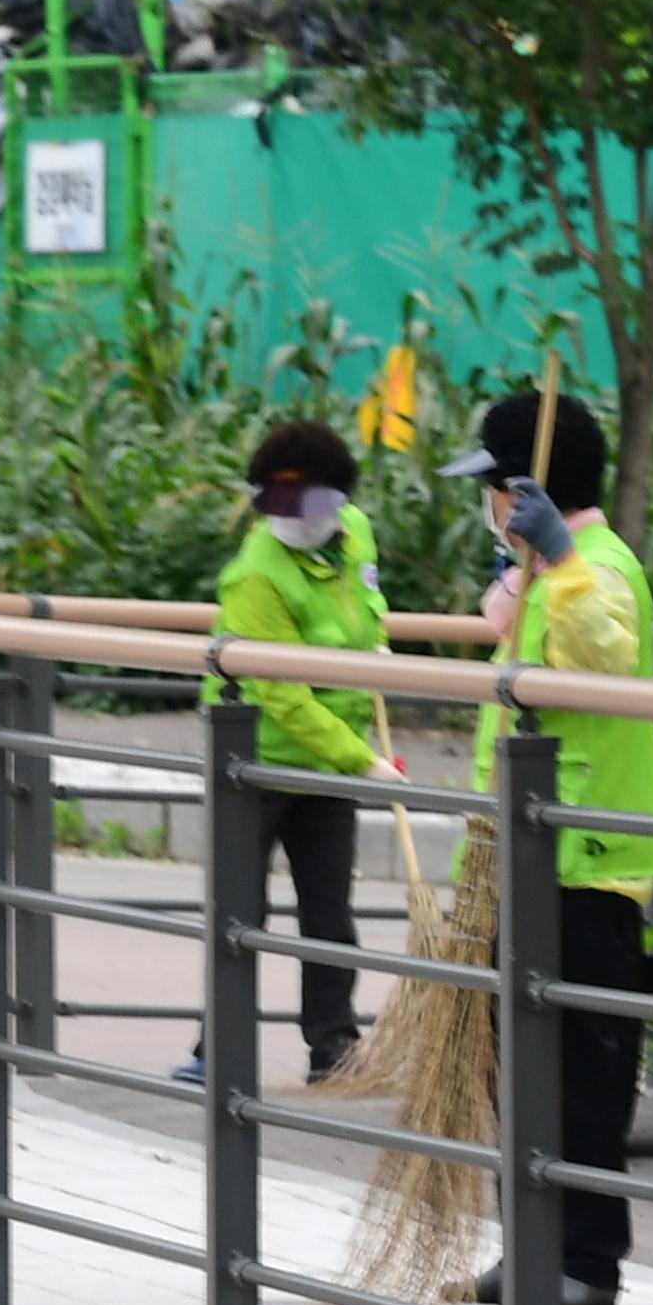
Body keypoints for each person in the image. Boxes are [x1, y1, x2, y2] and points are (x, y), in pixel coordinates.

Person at [442, 391, 653, 1305]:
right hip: (530, 858)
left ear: (525, 489)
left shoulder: (600, 569)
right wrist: (532, 563)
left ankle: (586, 1262)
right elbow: (510, 628)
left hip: (592, 861)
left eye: (494, 489)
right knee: (520, 1069)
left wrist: (563, 560)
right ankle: (531, 1247)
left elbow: (600, 655)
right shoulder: (542, 569)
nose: (489, 506)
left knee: (585, 1076)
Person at [176, 417, 403, 1087]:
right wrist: (360, 759)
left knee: (330, 912)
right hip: (255, 759)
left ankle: (332, 1045)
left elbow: (366, 599)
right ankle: (217, 1047)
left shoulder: (355, 530)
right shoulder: (254, 575)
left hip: (329, 759)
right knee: (239, 909)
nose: (295, 519)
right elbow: (283, 693)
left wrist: (377, 647)